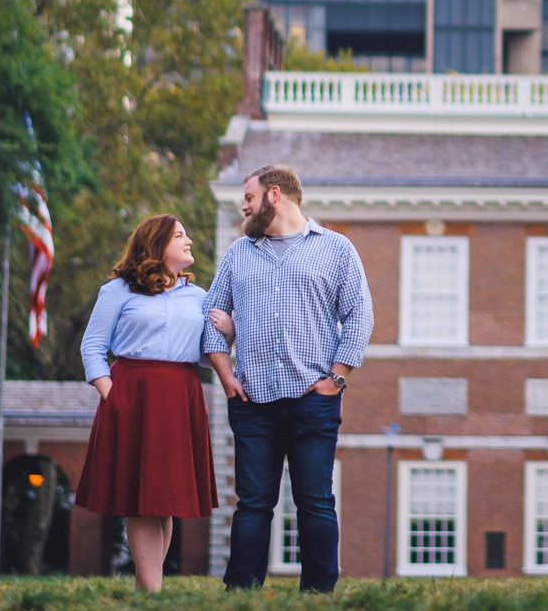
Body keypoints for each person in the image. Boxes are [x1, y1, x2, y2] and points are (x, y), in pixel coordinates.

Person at [202, 165, 375, 592]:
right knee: (253, 506)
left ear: (274, 195)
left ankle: (318, 593)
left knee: (315, 503)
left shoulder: (335, 249)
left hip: (312, 400)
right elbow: (209, 320)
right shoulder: (239, 253)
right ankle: (240, 593)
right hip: (252, 404)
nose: (243, 206)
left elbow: (359, 316)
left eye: (248, 197)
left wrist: (336, 379)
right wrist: (225, 376)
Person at [75, 214, 216, 593]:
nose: (189, 241)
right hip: (132, 395)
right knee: (140, 498)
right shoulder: (118, 290)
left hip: (180, 394)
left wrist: (228, 332)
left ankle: (145, 591)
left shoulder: (201, 297)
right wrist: (112, 394)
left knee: (164, 498)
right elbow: (92, 347)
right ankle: (152, 593)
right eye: (180, 235)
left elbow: (206, 355)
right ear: (157, 243)